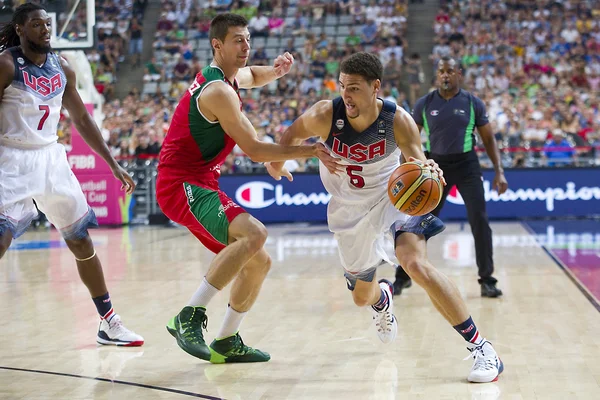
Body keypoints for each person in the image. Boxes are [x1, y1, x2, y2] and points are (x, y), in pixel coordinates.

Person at [266, 52, 504, 383]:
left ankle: (482, 348)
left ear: (375, 87)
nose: (346, 95)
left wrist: (428, 168)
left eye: (355, 88)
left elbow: (418, 160)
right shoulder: (325, 114)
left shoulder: (397, 120)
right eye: (343, 86)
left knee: (415, 264)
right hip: (348, 212)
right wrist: (279, 164)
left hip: (393, 199)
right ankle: (382, 300)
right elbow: (289, 138)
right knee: (361, 297)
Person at [156, 13, 334, 364]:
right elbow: (253, 149)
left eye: (248, 39)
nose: (246, 46)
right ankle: (189, 316)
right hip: (182, 184)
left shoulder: (229, 78)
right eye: (238, 40)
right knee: (255, 235)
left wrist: (277, 71)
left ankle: (225, 341)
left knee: (258, 262)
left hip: (201, 181)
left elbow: (254, 74)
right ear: (217, 45)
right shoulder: (218, 91)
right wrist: (309, 150)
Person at [0, 3, 143, 346]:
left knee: (80, 240)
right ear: (20, 29)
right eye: (37, 25)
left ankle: (109, 322)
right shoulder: (5, 64)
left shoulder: (62, 66)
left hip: (50, 157)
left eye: (47, 24)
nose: (45, 30)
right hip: (10, 157)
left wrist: (113, 163)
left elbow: (81, 119)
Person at [393, 56, 508, 298]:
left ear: (459, 73)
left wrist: (499, 170)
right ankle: (402, 277)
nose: (445, 75)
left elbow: (488, 139)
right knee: (417, 222)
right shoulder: (424, 103)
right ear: (437, 75)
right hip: (435, 166)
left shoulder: (472, 102)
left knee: (479, 220)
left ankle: (487, 279)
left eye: (450, 71)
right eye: (442, 71)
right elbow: (410, 138)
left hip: (467, 164)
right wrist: (404, 169)